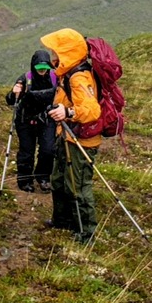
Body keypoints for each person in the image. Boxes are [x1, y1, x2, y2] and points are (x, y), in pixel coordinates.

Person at [39, 28, 101, 245]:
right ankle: (62, 221)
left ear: (69, 54)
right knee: (59, 180)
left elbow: (92, 111)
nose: (54, 57)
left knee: (78, 186)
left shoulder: (79, 77)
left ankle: (86, 233)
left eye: (58, 52)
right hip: (65, 136)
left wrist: (69, 112)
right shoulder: (68, 72)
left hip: (80, 141)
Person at [4, 48, 58, 192]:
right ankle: (25, 180)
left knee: (48, 150)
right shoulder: (25, 79)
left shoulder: (54, 78)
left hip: (46, 119)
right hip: (25, 120)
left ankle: (43, 177)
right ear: (33, 66)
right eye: (39, 68)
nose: (42, 71)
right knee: (27, 151)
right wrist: (13, 93)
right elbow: (10, 100)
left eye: (45, 68)